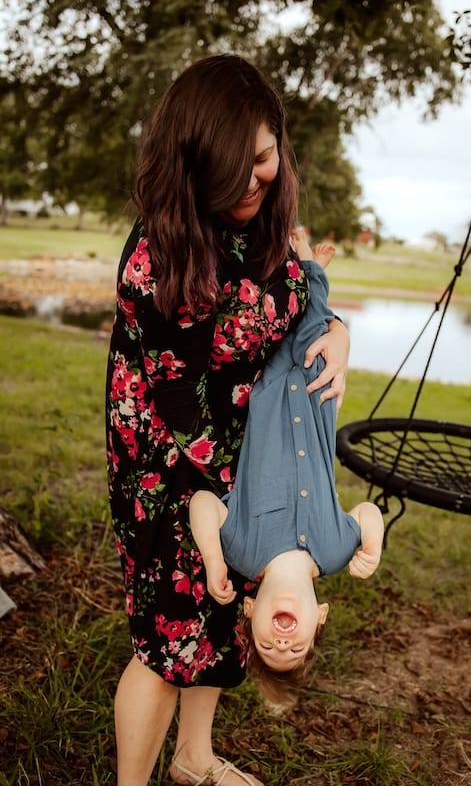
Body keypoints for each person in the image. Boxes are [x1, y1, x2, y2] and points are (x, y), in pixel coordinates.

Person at [105, 55, 351, 786]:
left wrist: (333, 328)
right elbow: (180, 404)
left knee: (219, 614)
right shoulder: (157, 258)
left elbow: (295, 314)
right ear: (190, 163)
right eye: (231, 170)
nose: (252, 182)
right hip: (168, 460)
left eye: (264, 160)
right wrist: (250, 502)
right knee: (168, 635)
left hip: (243, 458)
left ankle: (193, 758)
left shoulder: (266, 226)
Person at [189, 228, 384, 706]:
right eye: (295, 648)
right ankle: (309, 269)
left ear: (250, 610)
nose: (282, 641)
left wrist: (213, 559)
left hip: (267, 388)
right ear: (319, 618)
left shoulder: (242, 553)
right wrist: (373, 547)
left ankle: (301, 265)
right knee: (316, 332)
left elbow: (203, 503)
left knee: (279, 317)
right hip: (319, 396)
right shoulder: (336, 552)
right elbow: (367, 514)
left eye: (267, 645)